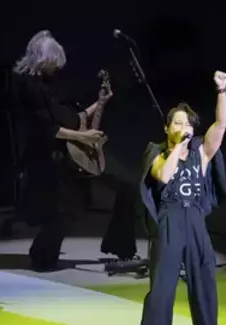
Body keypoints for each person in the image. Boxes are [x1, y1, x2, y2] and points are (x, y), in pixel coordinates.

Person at [13, 30, 140, 271]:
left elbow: (75, 117)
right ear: (42, 59)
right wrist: (84, 136)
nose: (56, 67)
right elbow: (49, 130)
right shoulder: (29, 88)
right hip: (55, 155)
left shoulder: (55, 83)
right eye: (53, 62)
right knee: (70, 210)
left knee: (128, 184)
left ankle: (120, 246)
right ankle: (42, 253)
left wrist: (100, 103)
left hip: (80, 148)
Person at [137, 71, 226, 325]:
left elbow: (221, 124)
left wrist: (221, 91)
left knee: (204, 284)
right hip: (169, 221)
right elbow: (164, 176)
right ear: (167, 128)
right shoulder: (157, 153)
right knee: (162, 290)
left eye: (188, 123)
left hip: (195, 221)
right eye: (177, 123)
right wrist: (178, 145)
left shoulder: (200, 152)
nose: (183, 127)